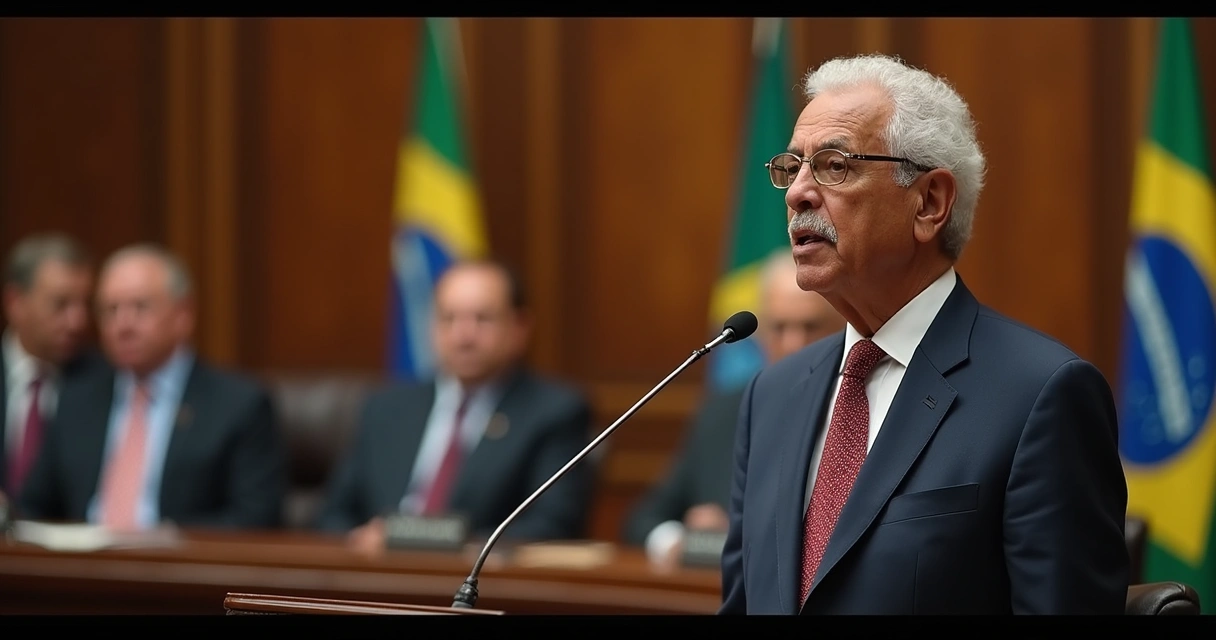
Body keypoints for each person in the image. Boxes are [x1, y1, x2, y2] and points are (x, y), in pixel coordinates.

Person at [719, 53, 1128, 615]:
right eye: (792, 167)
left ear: (930, 202)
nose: (797, 194)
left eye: (835, 165)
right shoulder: (772, 396)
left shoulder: (1041, 396)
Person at [315, 259, 594, 550]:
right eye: (449, 318)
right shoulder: (385, 408)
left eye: (482, 319)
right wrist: (359, 539)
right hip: (376, 580)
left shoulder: (554, 412)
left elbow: (552, 527)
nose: (463, 336)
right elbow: (331, 517)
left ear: (519, 327)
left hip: (477, 585)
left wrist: (422, 542)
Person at [19, 243, 287, 530]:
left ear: (183, 315)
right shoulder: (76, 399)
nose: (123, 325)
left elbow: (256, 519)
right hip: (82, 567)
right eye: (110, 310)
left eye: (140, 307)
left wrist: (166, 541)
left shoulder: (239, 405)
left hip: (177, 568)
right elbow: (32, 509)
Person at [622, 249, 845, 568]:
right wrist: (681, 541)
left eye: (810, 326)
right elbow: (644, 518)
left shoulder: (859, 410)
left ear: (842, 327)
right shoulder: (725, 412)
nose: (793, 344)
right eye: (779, 328)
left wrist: (741, 536)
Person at [1, 233, 104, 501]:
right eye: (61, 304)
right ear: (15, 303)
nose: (77, 321)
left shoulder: (105, 382)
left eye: (85, 304)